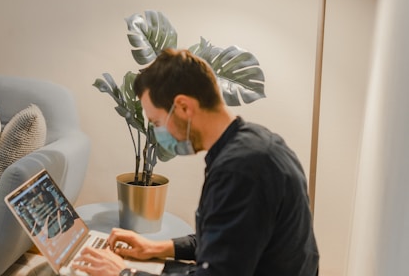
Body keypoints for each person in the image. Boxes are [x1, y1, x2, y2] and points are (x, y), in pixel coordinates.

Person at [73, 48, 318, 276]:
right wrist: (158, 248)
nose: (157, 133)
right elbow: (230, 238)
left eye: (157, 123)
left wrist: (124, 273)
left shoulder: (241, 169)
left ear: (183, 107)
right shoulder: (257, 143)